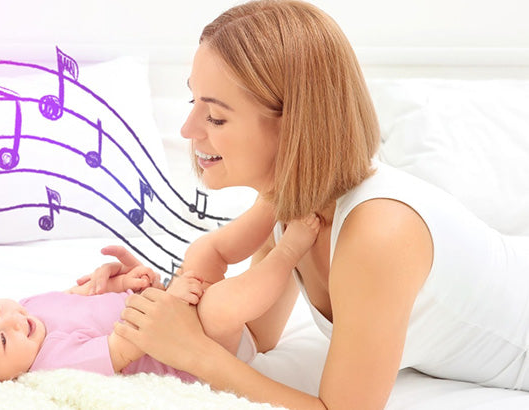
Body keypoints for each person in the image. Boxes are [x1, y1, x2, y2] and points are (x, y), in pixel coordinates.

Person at [84, 1, 529, 409]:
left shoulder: (378, 233)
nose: (186, 129)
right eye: (192, 101)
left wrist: (195, 355)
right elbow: (255, 336)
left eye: (215, 115)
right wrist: (154, 295)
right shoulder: (293, 204)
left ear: (294, 124)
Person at [0, 212, 319, 384]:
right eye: (3, 341)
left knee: (203, 253)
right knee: (221, 306)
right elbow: (136, 338)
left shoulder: (31, 306)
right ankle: (289, 251)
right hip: (204, 350)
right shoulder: (57, 363)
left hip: (192, 316)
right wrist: (170, 298)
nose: (11, 320)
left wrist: (120, 280)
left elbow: (85, 297)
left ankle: (272, 204)